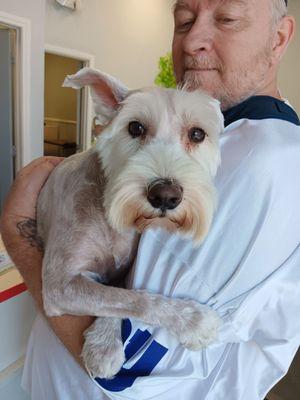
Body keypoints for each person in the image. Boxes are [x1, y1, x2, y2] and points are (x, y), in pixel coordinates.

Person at [1, 0, 299, 399]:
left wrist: (17, 228)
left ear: (279, 37)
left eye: (227, 19)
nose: (192, 40)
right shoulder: (228, 130)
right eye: (183, 21)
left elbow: (126, 367)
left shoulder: (261, 159)